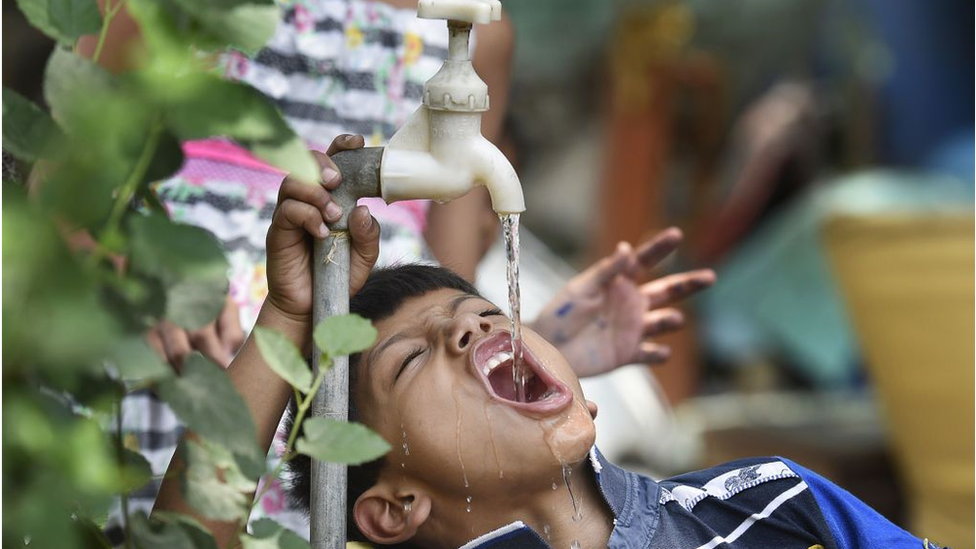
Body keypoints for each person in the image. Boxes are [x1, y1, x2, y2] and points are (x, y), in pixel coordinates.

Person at [154, 137, 948, 549]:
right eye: (412, 357)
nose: (472, 326)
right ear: (393, 509)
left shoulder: (769, 504)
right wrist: (288, 317)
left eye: (484, 315)